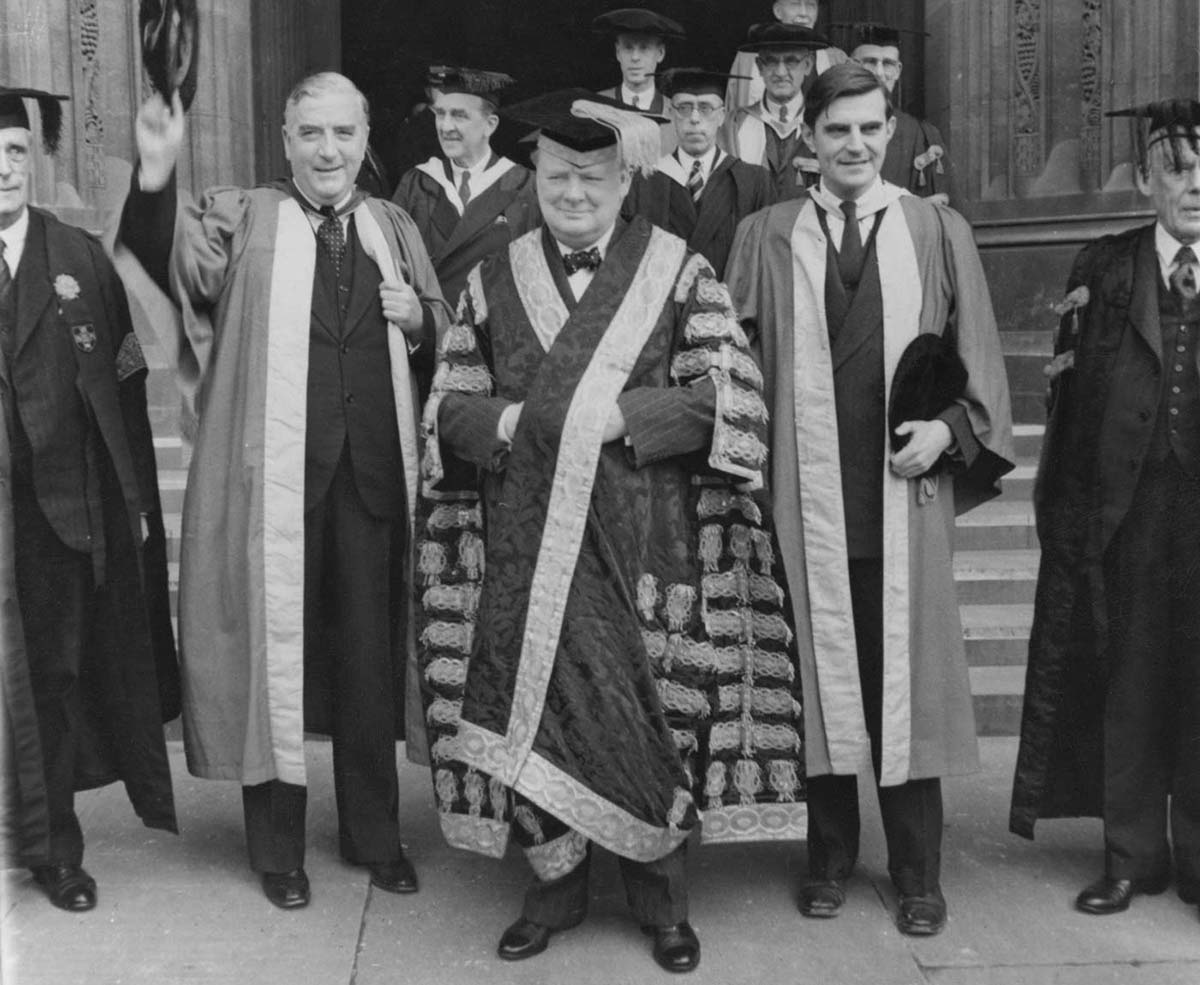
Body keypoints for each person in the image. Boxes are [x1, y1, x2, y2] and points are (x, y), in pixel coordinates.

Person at [407, 89, 799, 973]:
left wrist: (623, 415)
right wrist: (508, 426)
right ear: (533, 178)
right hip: (527, 543)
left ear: (625, 181)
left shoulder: (679, 270)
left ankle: (662, 901)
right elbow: (449, 408)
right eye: (556, 174)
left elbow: (732, 394)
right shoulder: (492, 277)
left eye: (592, 175)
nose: (573, 191)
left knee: (647, 707)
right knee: (540, 711)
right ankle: (553, 890)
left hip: (647, 541)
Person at [115, 72, 449, 910]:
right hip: (274, 484)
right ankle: (277, 849)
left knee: (369, 664)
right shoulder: (244, 215)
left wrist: (420, 325)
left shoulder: (393, 226)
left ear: (366, 137)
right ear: (286, 139)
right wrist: (155, 176)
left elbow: (451, 334)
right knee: (274, 663)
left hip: (373, 480)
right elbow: (168, 266)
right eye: (311, 134)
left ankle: (375, 834)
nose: (328, 150)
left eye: (343, 133)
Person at [724, 63, 1014, 937]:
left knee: (904, 680)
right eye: (837, 129)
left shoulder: (934, 227)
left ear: (892, 132)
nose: (854, 144)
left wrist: (949, 435)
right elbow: (723, 358)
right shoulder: (764, 233)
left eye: (869, 128)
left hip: (902, 496)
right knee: (814, 677)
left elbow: (981, 360)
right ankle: (828, 855)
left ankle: (919, 870)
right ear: (808, 137)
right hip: (800, 495)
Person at [1010, 99, 1200, 921]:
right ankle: (1131, 856)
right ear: (1149, 180)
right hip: (1129, 512)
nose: (1195, 185)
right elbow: (1069, 403)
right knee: (1131, 677)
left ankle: (1196, 859)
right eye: (1179, 169)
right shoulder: (1107, 263)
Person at [0, 85, 179, 911]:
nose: (2, 170)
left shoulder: (73, 254)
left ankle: (54, 847)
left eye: (12, 154)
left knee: (53, 677)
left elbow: (127, 378)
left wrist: (134, 497)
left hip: (60, 513)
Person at [392, 64, 539, 310]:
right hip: (429, 332)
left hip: (495, 333)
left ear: (490, 125)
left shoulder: (525, 186)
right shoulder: (417, 183)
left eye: (459, 116)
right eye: (440, 114)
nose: (445, 127)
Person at [623, 68, 773, 277]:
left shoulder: (754, 181)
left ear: (721, 116)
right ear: (670, 114)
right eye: (684, 108)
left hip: (731, 305)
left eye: (705, 108)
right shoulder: (643, 181)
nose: (694, 118)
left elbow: (763, 264)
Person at [850, 24, 955, 202]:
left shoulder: (923, 135)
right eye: (870, 62)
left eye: (888, 64)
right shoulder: (832, 129)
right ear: (851, 66)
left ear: (898, 70)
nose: (880, 73)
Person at [725, 22, 829, 200]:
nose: (781, 72)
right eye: (771, 61)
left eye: (791, 61)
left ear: (808, 65)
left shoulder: (825, 123)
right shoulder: (734, 126)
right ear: (759, 66)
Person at [726, 0, 848, 115]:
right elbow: (733, 114)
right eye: (795, 4)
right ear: (778, 11)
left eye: (810, 6)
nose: (804, 13)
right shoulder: (748, 57)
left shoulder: (836, 58)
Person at [593, 8, 683, 155]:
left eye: (644, 48)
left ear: (660, 53)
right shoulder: (596, 107)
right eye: (628, 48)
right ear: (618, 52)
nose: (635, 57)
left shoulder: (676, 115)